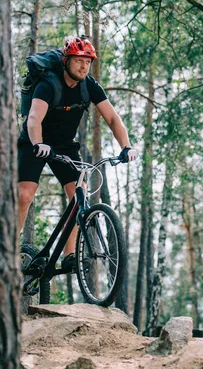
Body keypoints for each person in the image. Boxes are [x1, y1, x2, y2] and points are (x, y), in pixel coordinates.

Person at [18, 36, 138, 272]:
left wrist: (127, 146)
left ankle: (70, 254)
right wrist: (39, 144)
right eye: (78, 61)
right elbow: (33, 119)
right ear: (66, 61)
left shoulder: (89, 86)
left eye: (88, 61)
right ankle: (7, 251)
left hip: (64, 146)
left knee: (78, 195)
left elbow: (113, 119)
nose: (84, 66)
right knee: (24, 195)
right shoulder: (48, 84)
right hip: (35, 142)